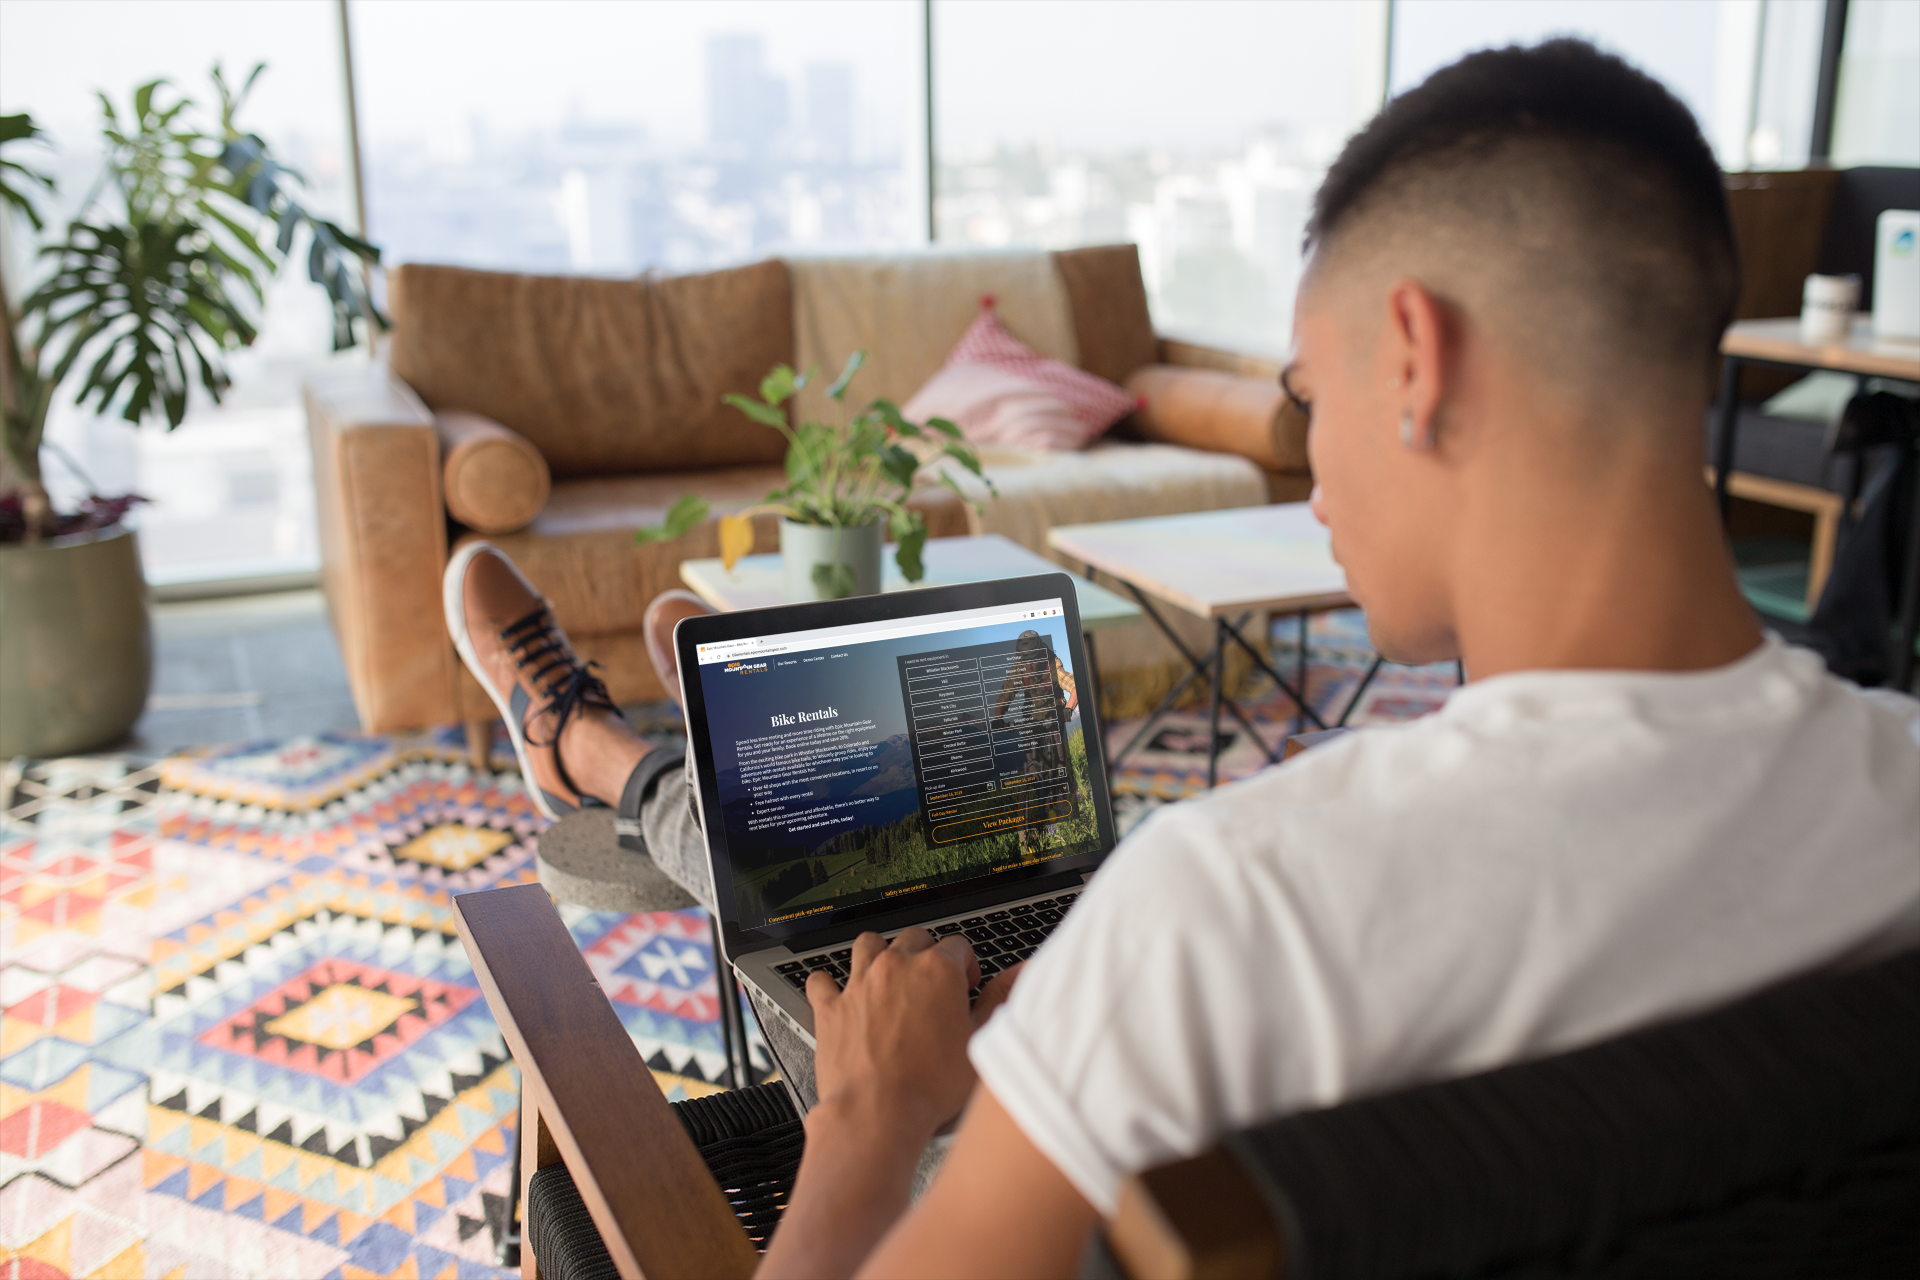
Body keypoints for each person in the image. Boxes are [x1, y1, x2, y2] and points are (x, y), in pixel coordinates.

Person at [445, 39, 1920, 1280]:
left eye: (1305, 393)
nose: (1313, 466)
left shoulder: (1234, 911)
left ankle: (596, 744)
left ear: (1416, 358)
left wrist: (873, 1124)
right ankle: (615, 748)